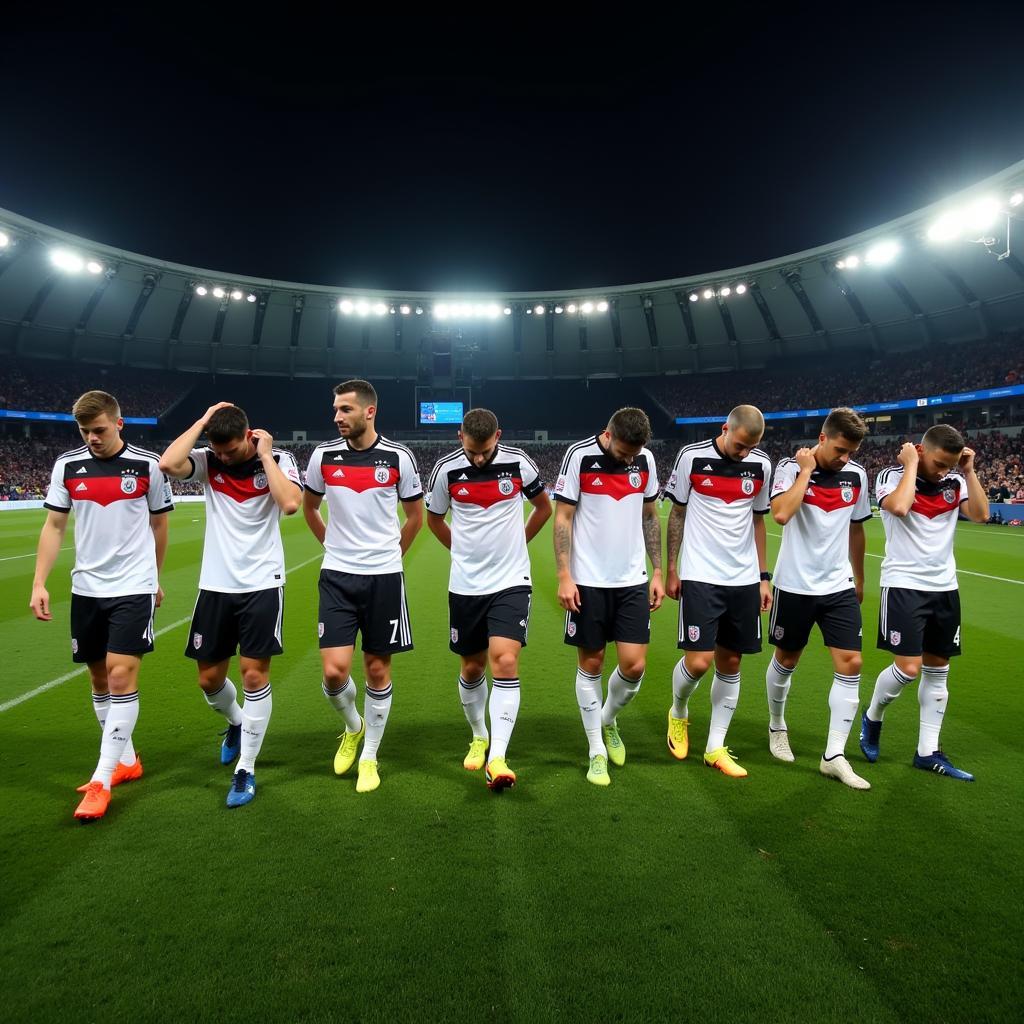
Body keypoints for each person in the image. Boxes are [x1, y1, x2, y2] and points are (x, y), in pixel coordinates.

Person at [30, 390, 173, 821]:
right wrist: (39, 581)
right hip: (87, 588)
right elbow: (54, 526)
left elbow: (160, 524)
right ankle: (126, 760)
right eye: (85, 431)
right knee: (97, 677)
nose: (92, 437)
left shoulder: (148, 466)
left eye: (99, 429)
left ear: (119, 423)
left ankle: (102, 778)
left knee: (120, 672)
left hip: (132, 586)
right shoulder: (67, 466)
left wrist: (155, 579)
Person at [159, 403, 302, 807]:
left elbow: (290, 503)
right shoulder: (207, 461)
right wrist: (203, 421)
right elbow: (169, 464)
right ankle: (237, 723)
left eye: (230, 450)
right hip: (215, 584)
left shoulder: (277, 459)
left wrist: (265, 455)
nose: (222, 458)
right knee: (208, 680)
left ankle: (246, 769)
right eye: (216, 450)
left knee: (254, 676)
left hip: (262, 583)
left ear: (247, 435)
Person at [303, 379, 423, 793]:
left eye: (345, 410)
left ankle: (369, 755)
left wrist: (391, 557)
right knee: (334, 673)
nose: (337, 417)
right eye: (336, 410)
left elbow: (415, 518)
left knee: (376, 668)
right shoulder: (322, 456)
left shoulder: (398, 457)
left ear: (369, 411)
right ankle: (353, 727)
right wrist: (333, 547)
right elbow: (310, 508)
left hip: (384, 578)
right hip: (336, 576)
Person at [425, 408, 552, 790]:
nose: (479, 459)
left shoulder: (519, 464)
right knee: (472, 669)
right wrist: (459, 551)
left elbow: (544, 507)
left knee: (506, 660)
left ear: (498, 435)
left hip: (512, 580)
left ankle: (497, 756)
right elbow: (434, 519)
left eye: (486, 450)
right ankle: (479, 734)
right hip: (466, 585)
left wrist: (519, 544)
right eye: (472, 450)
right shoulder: (446, 471)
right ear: (459, 435)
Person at [860, 425, 989, 780]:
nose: (943, 471)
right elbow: (900, 508)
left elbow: (980, 514)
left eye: (950, 465)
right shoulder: (892, 476)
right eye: (939, 463)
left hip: (945, 588)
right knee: (908, 669)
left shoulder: (956, 481)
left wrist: (968, 471)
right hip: (903, 586)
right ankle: (872, 717)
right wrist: (914, 466)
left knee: (938, 671)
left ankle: (927, 751)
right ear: (920, 450)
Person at [553, 408, 663, 786]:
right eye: (624, 451)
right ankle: (595, 749)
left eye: (636, 453)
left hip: (632, 579)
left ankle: (606, 719)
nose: (630, 459)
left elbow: (651, 516)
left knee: (634, 666)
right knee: (593, 663)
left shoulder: (645, 460)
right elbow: (563, 518)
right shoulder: (579, 456)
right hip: (588, 582)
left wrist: (659, 571)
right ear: (608, 433)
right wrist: (565, 575)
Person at [765, 408, 873, 789]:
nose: (846, 459)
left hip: (838, 585)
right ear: (823, 438)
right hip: (794, 584)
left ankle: (834, 755)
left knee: (852, 662)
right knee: (787, 658)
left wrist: (858, 577)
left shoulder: (857, 476)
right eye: (841, 449)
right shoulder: (788, 468)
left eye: (852, 452)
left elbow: (857, 531)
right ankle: (777, 725)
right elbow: (780, 514)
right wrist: (807, 471)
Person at [664, 405, 773, 778]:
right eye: (740, 445)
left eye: (751, 447)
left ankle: (715, 747)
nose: (745, 453)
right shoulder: (691, 457)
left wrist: (763, 576)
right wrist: (673, 568)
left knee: (732, 662)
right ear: (725, 429)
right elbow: (676, 514)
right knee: (698, 662)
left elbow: (759, 522)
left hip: (743, 579)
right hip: (700, 575)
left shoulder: (762, 465)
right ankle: (678, 711)